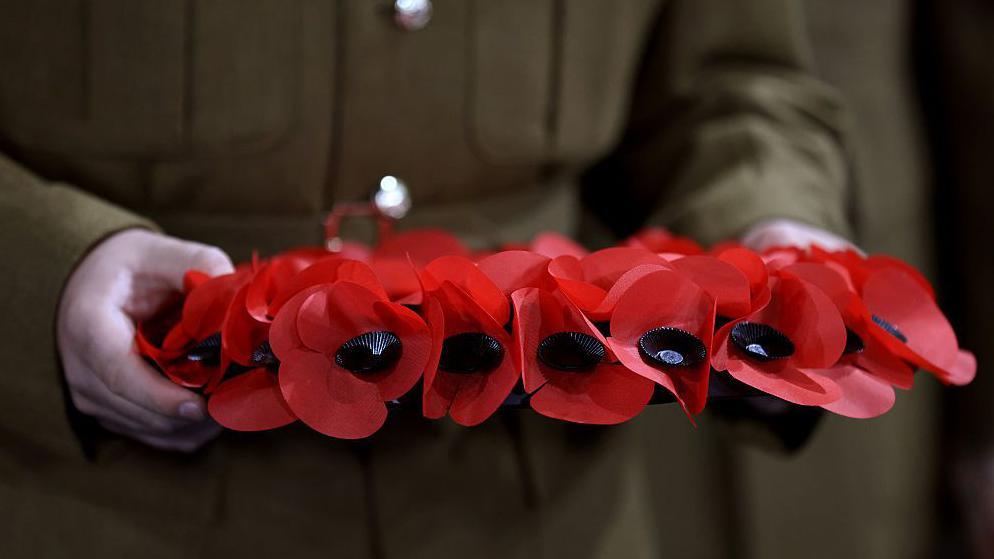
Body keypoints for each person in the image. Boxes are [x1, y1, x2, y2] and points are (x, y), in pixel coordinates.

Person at [0, 1, 851, 557]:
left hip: (546, 513)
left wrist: (767, 224)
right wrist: (47, 271)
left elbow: (730, 85)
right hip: (107, 505)